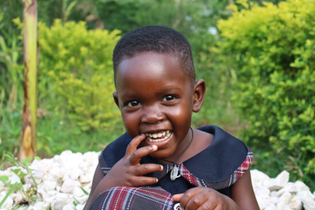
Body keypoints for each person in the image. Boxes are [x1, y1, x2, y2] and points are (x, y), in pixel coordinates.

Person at [84, 25, 260, 210]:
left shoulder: (227, 155)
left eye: (168, 98)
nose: (151, 117)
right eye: (134, 103)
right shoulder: (116, 159)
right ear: (119, 104)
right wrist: (110, 183)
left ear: (196, 96)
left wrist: (227, 205)